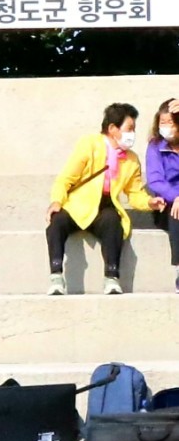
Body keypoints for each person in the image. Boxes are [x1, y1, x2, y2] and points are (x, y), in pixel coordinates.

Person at [46, 102, 165, 295]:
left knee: (113, 222)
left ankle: (111, 277)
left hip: (105, 206)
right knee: (57, 221)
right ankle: (56, 276)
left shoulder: (131, 159)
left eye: (134, 129)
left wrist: (149, 202)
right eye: (129, 128)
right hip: (78, 204)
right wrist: (57, 200)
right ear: (112, 128)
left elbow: (134, 193)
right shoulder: (89, 144)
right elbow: (66, 178)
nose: (132, 134)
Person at [145, 98, 179, 293]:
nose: (166, 127)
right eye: (162, 122)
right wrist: (176, 197)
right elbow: (156, 181)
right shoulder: (156, 146)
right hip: (167, 204)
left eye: (171, 122)